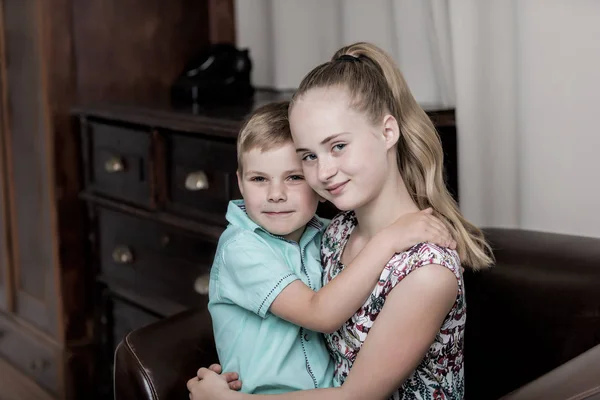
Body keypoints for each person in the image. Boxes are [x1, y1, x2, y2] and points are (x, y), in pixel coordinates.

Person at [189, 42, 493, 400]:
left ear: (388, 132)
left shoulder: (427, 272)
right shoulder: (335, 233)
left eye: (337, 146)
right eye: (309, 156)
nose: (325, 171)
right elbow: (291, 323)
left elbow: (356, 397)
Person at [203, 100, 457, 396]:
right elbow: (321, 314)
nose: (275, 195)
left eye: (294, 177)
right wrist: (389, 239)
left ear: (316, 182)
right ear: (240, 183)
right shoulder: (241, 248)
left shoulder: (328, 233)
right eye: (259, 179)